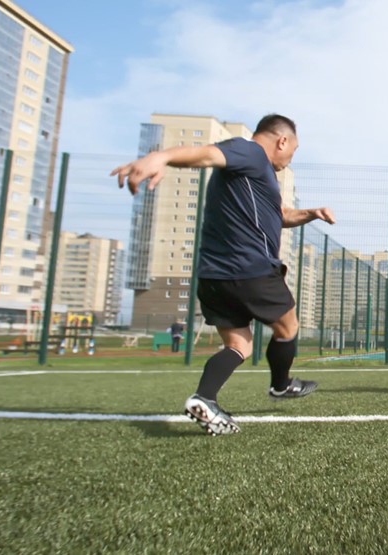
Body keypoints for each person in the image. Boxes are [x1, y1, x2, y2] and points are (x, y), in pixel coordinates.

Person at [111, 114, 335, 435]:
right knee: (288, 325)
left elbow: (282, 215)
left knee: (239, 346)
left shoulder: (254, 177)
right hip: (249, 268)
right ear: (282, 141)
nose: (290, 158)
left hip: (213, 276)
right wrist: (160, 156)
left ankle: (204, 398)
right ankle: (281, 385)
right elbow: (207, 154)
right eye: (294, 151)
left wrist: (311, 213)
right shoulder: (251, 152)